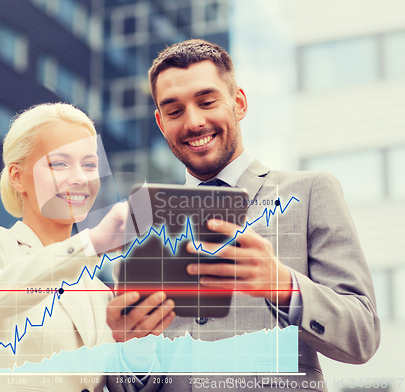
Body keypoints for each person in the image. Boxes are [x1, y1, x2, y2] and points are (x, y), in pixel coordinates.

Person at [106, 39, 380, 391]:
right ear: (161, 123)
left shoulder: (311, 192)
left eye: (207, 102)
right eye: (174, 111)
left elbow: (362, 336)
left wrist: (282, 285)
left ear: (238, 103)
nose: (193, 122)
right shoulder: (142, 221)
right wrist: (132, 349)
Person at [0, 103, 175, 392]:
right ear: (18, 177)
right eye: (60, 163)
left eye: (90, 164)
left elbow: (127, 386)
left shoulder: (100, 293)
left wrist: (138, 342)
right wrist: (92, 243)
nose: (80, 178)